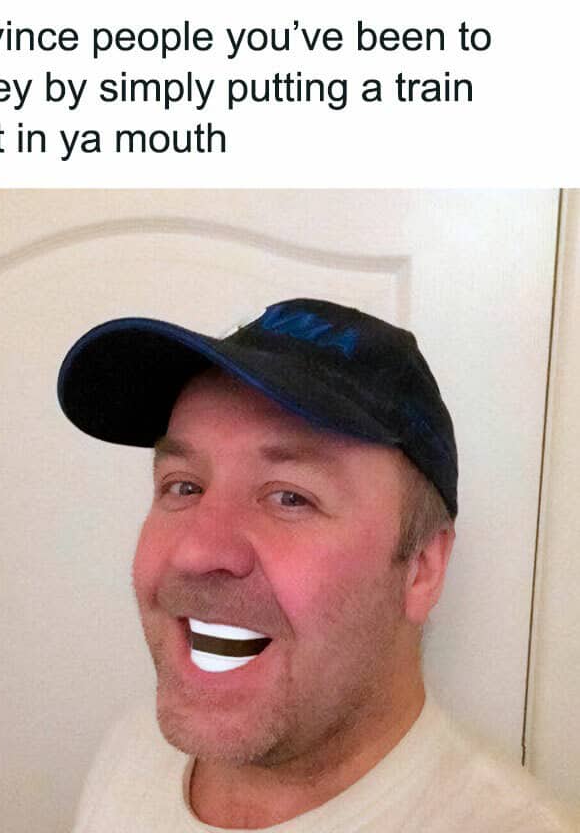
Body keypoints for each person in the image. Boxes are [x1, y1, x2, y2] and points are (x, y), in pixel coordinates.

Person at [58, 298, 575, 832]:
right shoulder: (131, 749)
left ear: (421, 569)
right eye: (183, 486)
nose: (196, 552)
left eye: (290, 497)